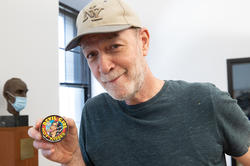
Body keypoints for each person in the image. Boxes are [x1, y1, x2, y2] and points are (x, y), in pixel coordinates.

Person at [28, 0, 250, 165]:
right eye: (92, 55)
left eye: (114, 46)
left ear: (143, 42)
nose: (104, 67)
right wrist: (73, 159)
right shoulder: (94, 113)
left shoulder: (207, 101)